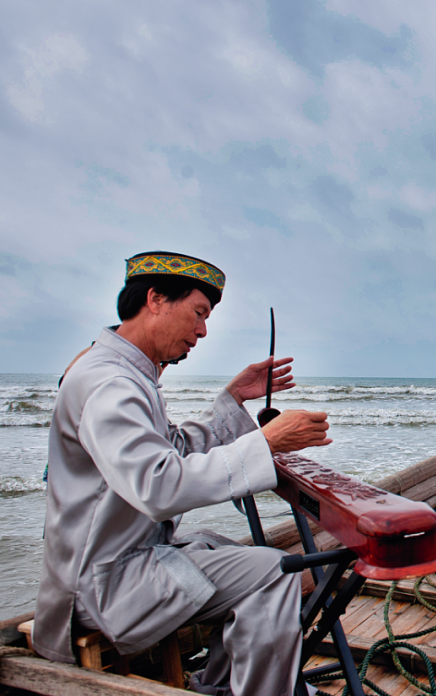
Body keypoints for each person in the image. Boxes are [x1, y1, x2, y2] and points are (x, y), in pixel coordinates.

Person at [34, 251, 333, 696]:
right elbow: (159, 485)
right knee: (275, 571)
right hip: (103, 586)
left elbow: (171, 449)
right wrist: (266, 443)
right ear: (155, 299)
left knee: (221, 545)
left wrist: (232, 400)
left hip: (115, 565)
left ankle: (222, 686)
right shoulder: (110, 383)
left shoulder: (126, 374)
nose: (203, 330)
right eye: (198, 313)